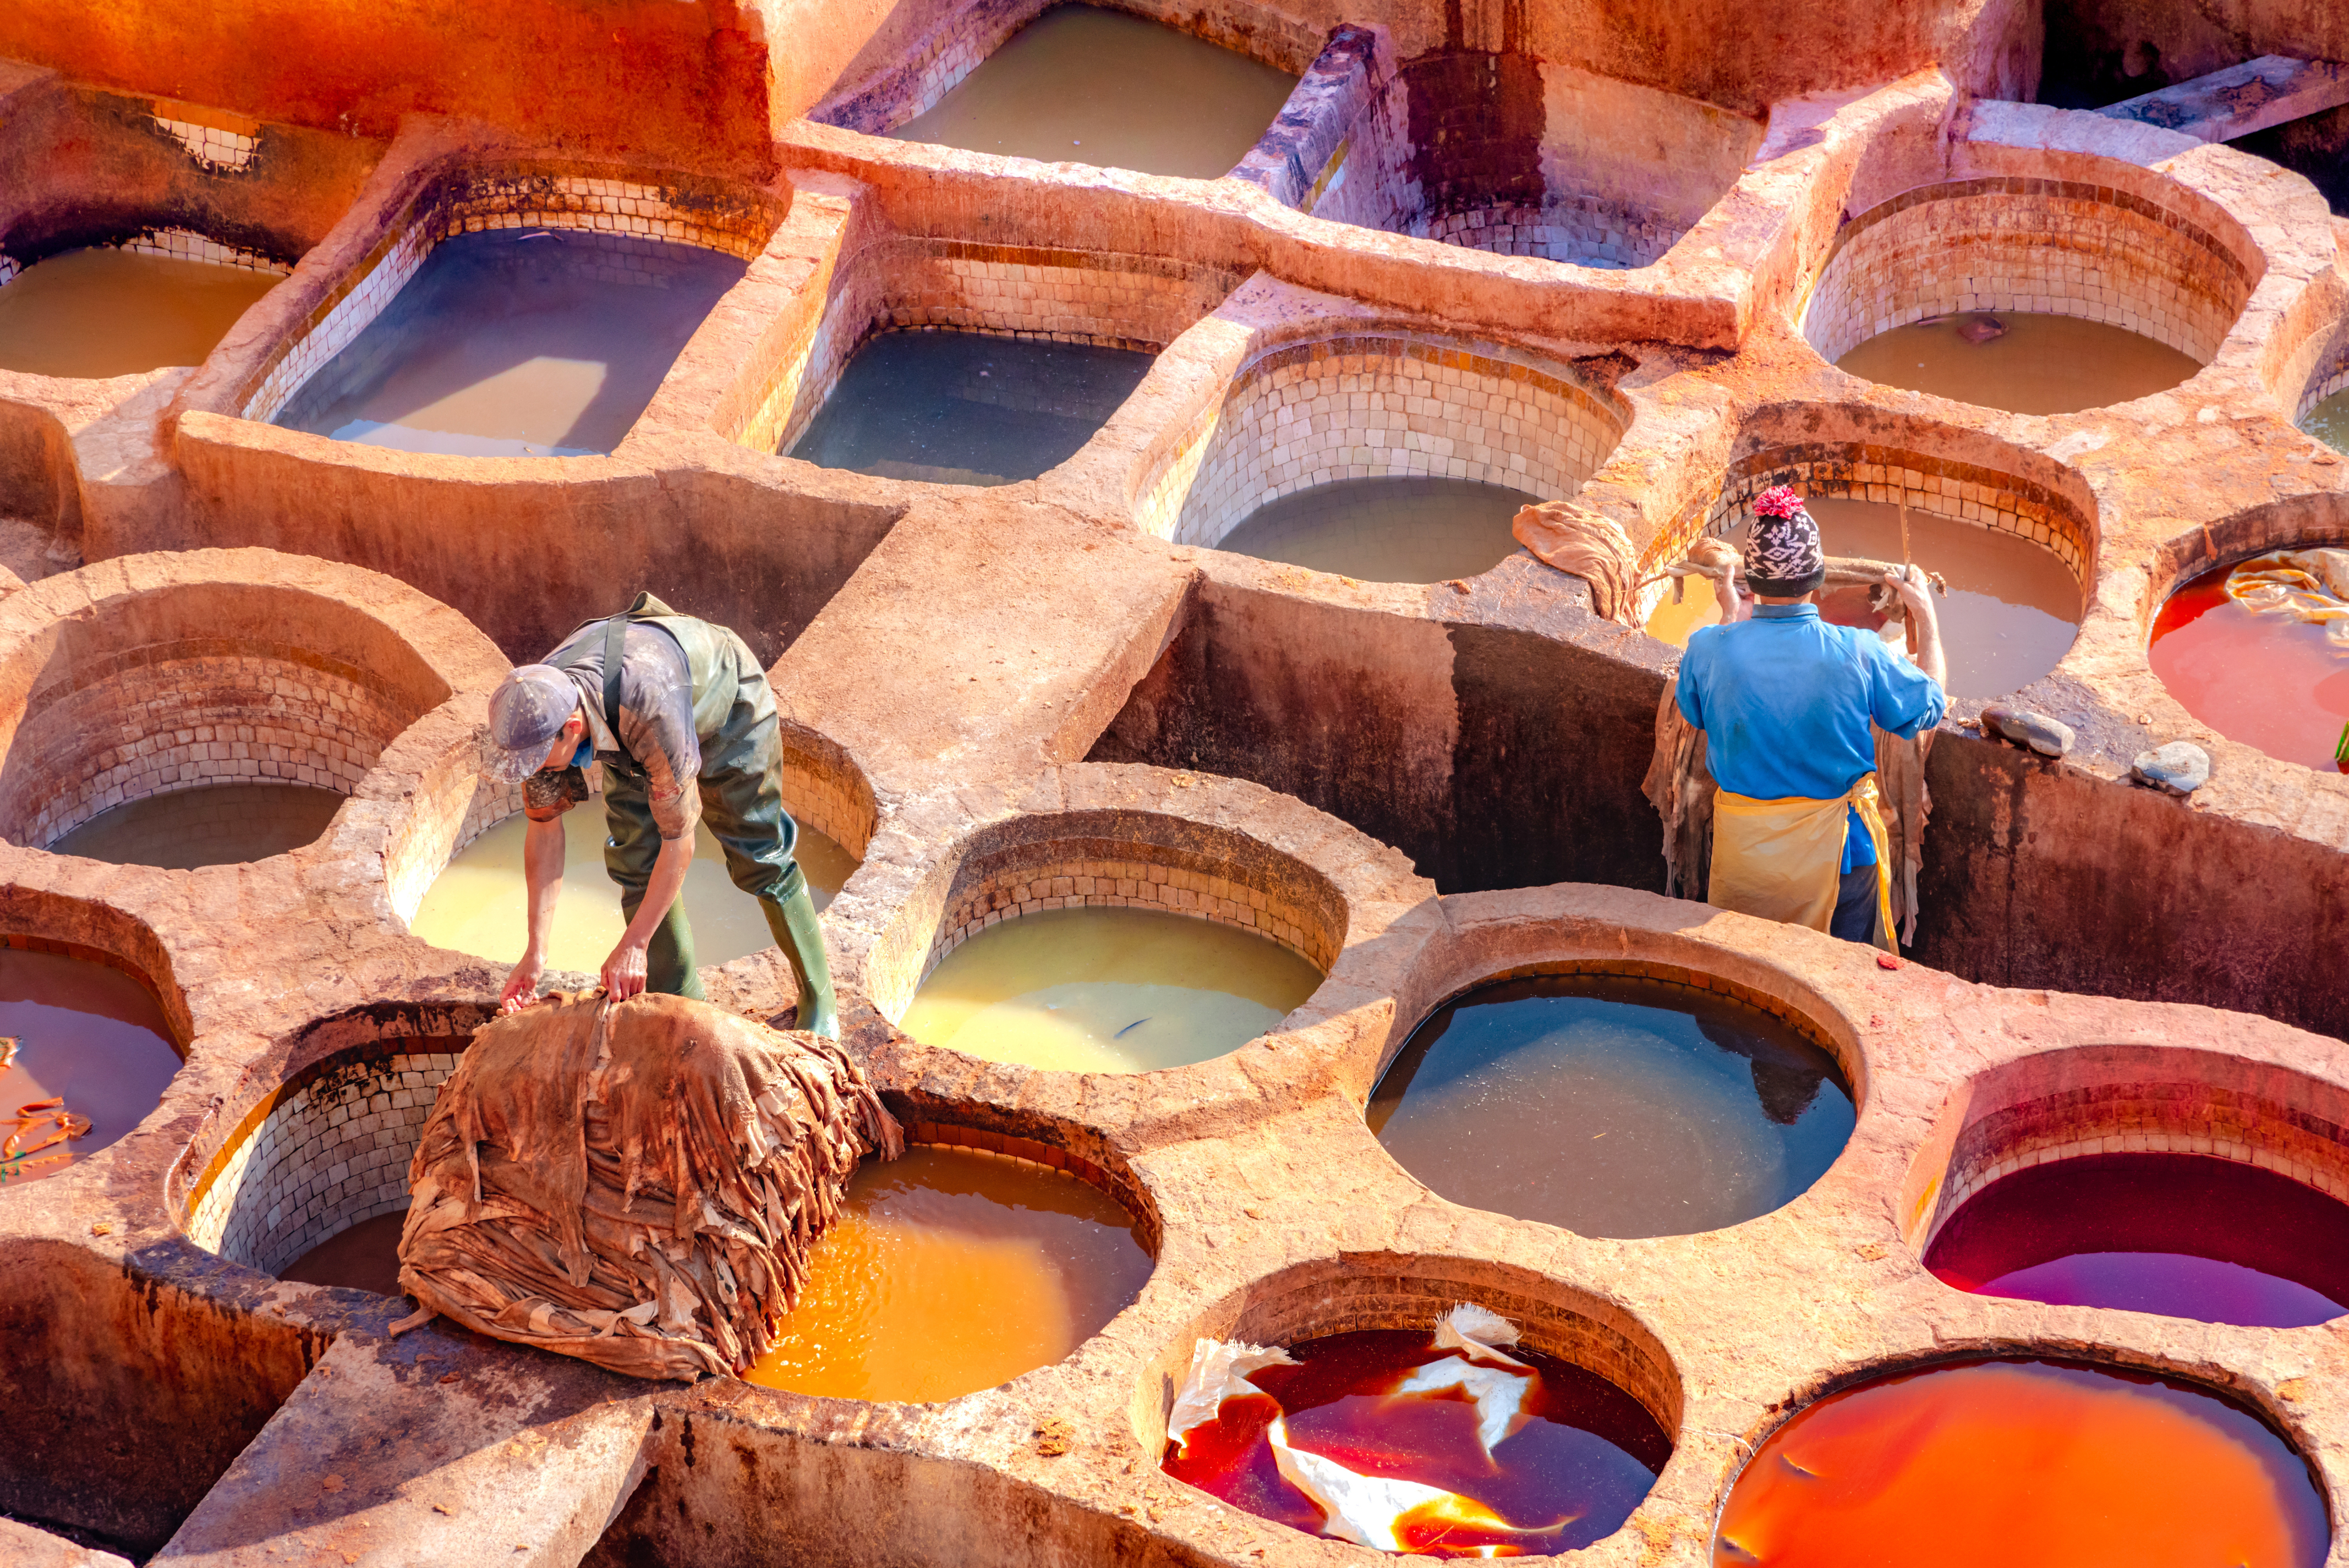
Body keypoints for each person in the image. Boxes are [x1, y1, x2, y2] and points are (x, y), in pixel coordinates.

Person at [479, 592, 838, 1034]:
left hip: (723, 704)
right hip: (627, 722)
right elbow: (544, 830)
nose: (531, 773)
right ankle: (683, 1008)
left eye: (538, 762)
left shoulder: (647, 711)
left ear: (572, 731)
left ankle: (821, 1001)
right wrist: (536, 951)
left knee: (757, 852)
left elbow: (680, 842)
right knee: (633, 859)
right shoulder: (537, 711)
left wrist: (635, 944)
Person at [1675, 485, 1947, 949]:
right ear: (1819, 582)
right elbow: (1930, 707)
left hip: (1746, 856)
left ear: (1749, 584)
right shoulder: (1858, 652)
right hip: (1839, 857)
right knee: (1831, 984)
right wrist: (1928, 619)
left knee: (1744, 972)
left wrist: (1726, 618)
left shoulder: (1708, 647)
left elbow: (1696, 712)